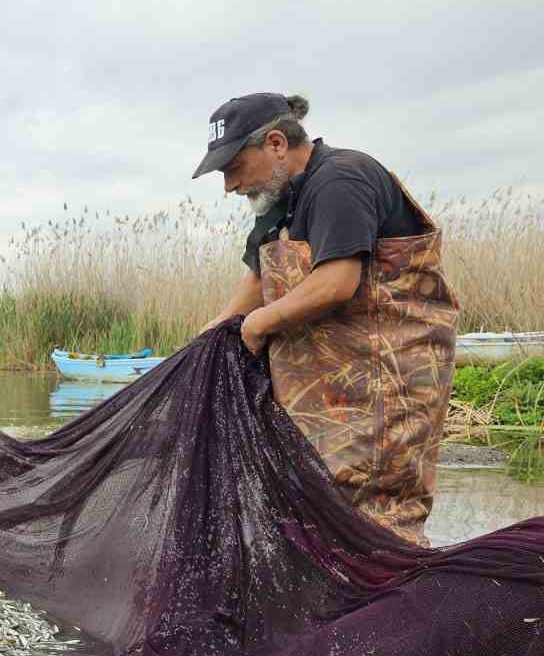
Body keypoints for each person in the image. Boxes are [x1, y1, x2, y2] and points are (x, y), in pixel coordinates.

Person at [195, 93, 459, 544]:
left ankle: (389, 609)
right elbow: (259, 278)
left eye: (233, 168)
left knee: (376, 516)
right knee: (317, 511)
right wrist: (217, 328)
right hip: (321, 396)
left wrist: (256, 325)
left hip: (381, 386)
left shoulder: (341, 179)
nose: (229, 187)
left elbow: (337, 281)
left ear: (276, 143)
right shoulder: (278, 203)